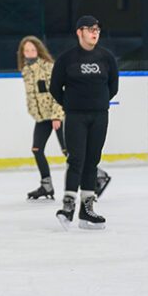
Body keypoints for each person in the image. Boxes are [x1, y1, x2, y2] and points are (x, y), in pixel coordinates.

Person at [50, 15, 119, 230]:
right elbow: (55, 87)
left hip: (99, 116)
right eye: (90, 29)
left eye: (97, 29)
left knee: (92, 161)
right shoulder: (67, 59)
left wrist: (98, 103)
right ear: (79, 32)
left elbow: (113, 86)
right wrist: (72, 104)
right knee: (76, 160)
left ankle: (87, 211)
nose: (94, 33)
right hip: (75, 117)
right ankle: (68, 206)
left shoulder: (106, 58)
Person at [18, 35, 67, 200]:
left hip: (57, 115)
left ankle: (97, 176)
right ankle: (46, 185)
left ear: (38, 50)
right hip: (42, 118)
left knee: (68, 151)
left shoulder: (48, 67)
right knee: (37, 150)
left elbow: (58, 91)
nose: (30, 53)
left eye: (32, 49)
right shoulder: (26, 71)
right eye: (26, 50)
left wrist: (57, 116)